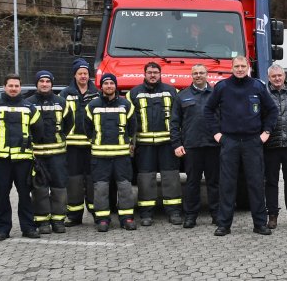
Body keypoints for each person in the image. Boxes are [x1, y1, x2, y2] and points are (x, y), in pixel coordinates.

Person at [204, 56, 278, 237]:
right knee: (227, 184)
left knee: (255, 184)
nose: (239, 69)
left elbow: (272, 110)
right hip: (229, 142)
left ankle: (260, 224)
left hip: (253, 142)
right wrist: (216, 134)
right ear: (231, 67)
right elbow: (208, 110)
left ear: (248, 67)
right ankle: (224, 224)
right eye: (236, 66)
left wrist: (266, 132)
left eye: (243, 66)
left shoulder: (257, 86)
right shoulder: (222, 87)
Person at [0, 74, 42, 241]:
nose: (13, 88)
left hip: (23, 160)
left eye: (16, 86)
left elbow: (39, 130)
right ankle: (2, 229)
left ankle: (28, 228)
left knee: (24, 195)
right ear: (4, 87)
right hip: (1, 159)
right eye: (10, 85)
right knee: (2, 195)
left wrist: (30, 145)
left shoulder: (29, 107)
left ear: (20, 88)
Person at [126, 62, 182, 226]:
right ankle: (146, 213)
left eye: (155, 72)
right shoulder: (133, 94)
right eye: (149, 72)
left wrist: (178, 140)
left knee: (171, 178)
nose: (152, 75)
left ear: (160, 73)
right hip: (144, 145)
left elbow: (179, 117)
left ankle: (174, 212)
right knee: (145, 179)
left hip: (167, 143)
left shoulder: (172, 91)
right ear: (144, 74)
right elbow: (129, 121)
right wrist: (131, 142)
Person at [85, 73, 138, 232]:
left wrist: (128, 142)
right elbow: (87, 128)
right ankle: (102, 219)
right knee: (101, 188)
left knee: (125, 187)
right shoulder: (92, 106)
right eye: (106, 83)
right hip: (100, 156)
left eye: (111, 83)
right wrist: (94, 141)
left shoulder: (126, 105)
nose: (109, 86)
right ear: (101, 87)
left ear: (116, 86)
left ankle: (127, 218)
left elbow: (132, 126)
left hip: (121, 156)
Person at [170, 64, 219, 228]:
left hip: (213, 146)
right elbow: (174, 122)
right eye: (195, 73)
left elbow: (225, 119)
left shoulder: (216, 95)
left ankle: (217, 214)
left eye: (201, 73)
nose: (198, 75)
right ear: (191, 75)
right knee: (192, 183)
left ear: (207, 75)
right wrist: (177, 143)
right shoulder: (182, 96)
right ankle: (190, 215)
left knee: (215, 182)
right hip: (192, 146)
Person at [27, 70, 73, 234]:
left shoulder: (61, 102)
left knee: (59, 188)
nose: (44, 84)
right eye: (41, 81)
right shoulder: (28, 103)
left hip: (58, 155)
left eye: (47, 81)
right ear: (37, 83)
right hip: (37, 155)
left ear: (52, 84)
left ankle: (58, 220)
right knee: (39, 189)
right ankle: (42, 221)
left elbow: (68, 124)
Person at [60, 58, 99, 226]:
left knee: (93, 180)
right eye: (80, 73)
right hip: (72, 146)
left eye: (85, 73)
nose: (83, 76)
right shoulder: (65, 94)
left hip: (92, 145)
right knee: (73, 181)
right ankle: (74, 215)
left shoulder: (97, 93)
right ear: (74, 75)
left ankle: (96, 212)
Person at [264, 64, 287, 229]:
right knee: (271, 182)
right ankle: (272, 215)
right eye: (273, 76)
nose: (277, 79)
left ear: (284, 76)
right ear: (269, 78)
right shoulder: (263, 94)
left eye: (279, 75)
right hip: (271, 145)